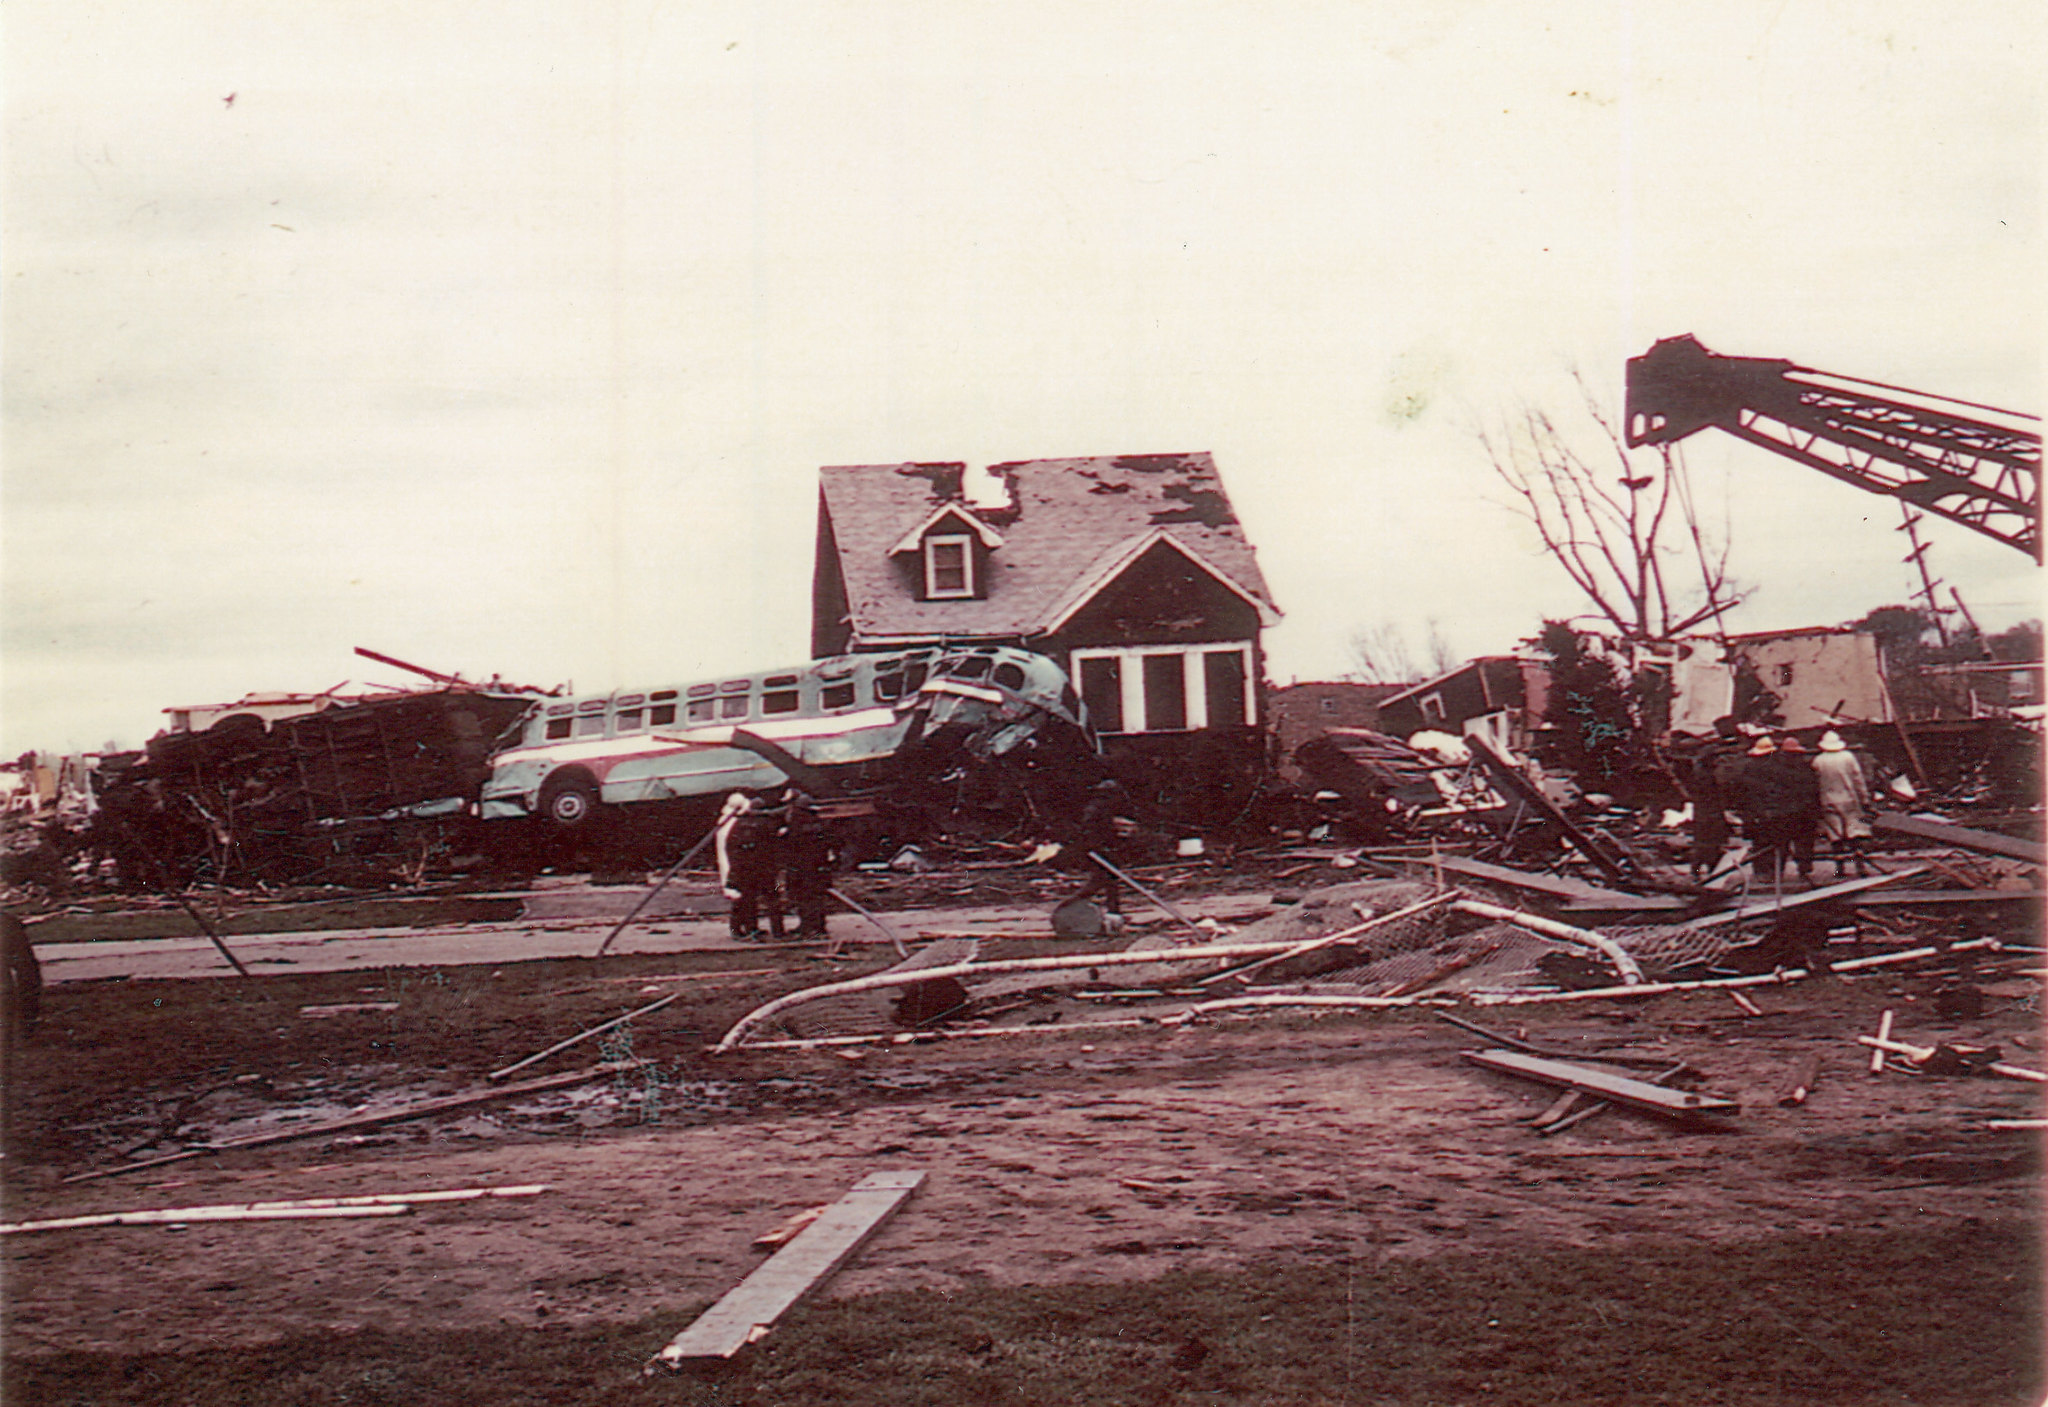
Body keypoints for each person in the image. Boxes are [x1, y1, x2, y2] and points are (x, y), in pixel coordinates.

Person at [714, 791, 783, 942]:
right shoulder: (766, 825)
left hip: (741, 868)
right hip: (763, 868)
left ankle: (742, 929)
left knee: (744, 899)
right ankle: (776, 931)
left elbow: (730, 847)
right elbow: (773, 846)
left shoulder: (735, 824)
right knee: (770, 898)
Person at [1812, 730, 1875, 877]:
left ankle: (1839, 868)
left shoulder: (1818, 761)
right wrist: (1864, 799)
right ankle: (1860, 866)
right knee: (1854, 832)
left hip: (1828, 800)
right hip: (1849, 799)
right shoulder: (1848, 757)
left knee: (1835, 834)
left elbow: (1816, 783)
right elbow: (1858, 780)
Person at [776, 786, 833, 942]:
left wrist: (783, 835)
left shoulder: (796, 825)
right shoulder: (819, 824)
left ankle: (809, 929)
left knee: (804, 898)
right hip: (819, 868)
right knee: (816, 898)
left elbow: (792, 845)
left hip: (801, 868)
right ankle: (818, 927)